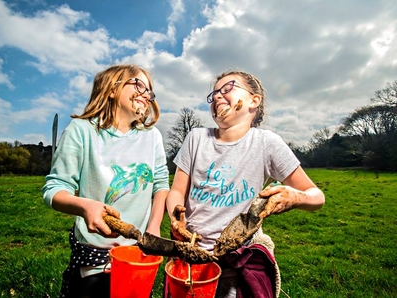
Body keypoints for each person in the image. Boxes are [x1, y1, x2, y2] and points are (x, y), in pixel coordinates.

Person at [165, 70, 325, 298]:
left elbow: (317, 197)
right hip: (190, 259)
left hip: (235, 264)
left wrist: (295, 196)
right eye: (214, 94)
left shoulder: (267, 144)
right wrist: (175, 216)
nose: (218, 96)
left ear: (254, 100)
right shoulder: (196, 138)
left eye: (227, 88)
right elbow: (177, 191)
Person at [42, 64, 170, 298]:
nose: (146, 94)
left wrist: (154, 227)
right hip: (94, 254)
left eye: (150, 91)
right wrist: (84, 206)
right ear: (111, 89)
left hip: (137, 251)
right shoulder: (81, 131)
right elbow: (55, 188)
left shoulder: (152, 137)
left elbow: (160, 184)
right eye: (138, 84)